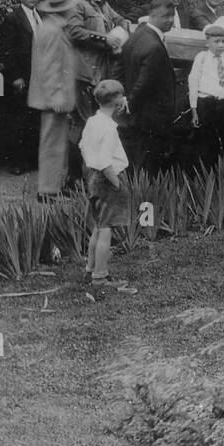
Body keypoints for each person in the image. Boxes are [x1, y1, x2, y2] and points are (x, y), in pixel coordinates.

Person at [80, 79, 136, 293]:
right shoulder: (109, 129)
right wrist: (117, 184)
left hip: (93, 177)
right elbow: (105, 162)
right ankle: (100, 278)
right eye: (122, 96)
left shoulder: (92, 121)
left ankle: (91, 268)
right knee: (105, 231)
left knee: (97, 226)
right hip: (107, 179)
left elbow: (83, 147)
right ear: (117, 101)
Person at [27, 0, 79, 203]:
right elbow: (49, 68)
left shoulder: (51, 27)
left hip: (54, 97)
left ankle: (54, 186)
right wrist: (56, 96)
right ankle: (48, 191)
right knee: (52, 144)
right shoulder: (52, 30)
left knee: (57, 143)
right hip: (52, 98)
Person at [65, 0, 129, 126]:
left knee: (99, 117)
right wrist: (104, 38)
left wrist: (122, 26)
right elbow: (74, 32)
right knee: (86, 121)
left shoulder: (101, 3)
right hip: (84, 73)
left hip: (101, 70)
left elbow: (119, 18)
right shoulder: (76, 3)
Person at [120, 0, 176, 174]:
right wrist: (131, 104)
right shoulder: (155, 47)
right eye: (171, 17)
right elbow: (144, 83)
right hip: (151, 115)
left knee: (136, 157)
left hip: (138, 113)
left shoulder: (137, 34)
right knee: (148, 162)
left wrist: (125, 102)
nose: (172, 21)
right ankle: (146, 195)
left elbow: (120, 68)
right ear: (165, 17)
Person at [0, 0, 44, 169]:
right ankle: (17, 163)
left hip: (39, 76)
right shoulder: (13, 18)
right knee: (19, 120)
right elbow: (7, 50)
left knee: (35, 118)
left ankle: (32, 159)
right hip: (23, 77)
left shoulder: (39, 16)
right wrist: (16, 76)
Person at [188, 24, 224, 165]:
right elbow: (193, 82)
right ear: (207, 42)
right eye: (216, 42)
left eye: (223, 41)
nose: (221, 45)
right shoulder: (202, 58)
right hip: (206, 103)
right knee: (207, 141)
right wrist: (194, 110)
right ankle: (207, 171)